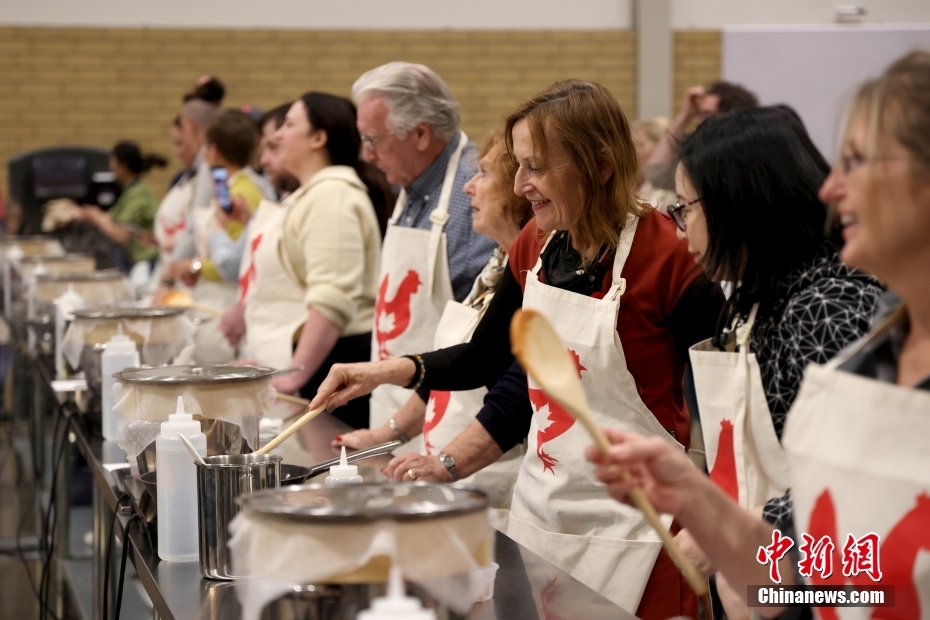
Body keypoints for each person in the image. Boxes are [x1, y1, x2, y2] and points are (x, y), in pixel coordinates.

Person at [311, 80, 726, 618]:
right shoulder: (536, 243)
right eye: (518, 166)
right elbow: (483, 361)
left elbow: (720, 416)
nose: (521, 184)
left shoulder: (669, 259)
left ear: (600, 165)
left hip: (641, 534)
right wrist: (380, 373)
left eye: (536, 166)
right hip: (543, 517)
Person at [588, 50, 930, 619]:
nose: (830, 189)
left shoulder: (831, 308)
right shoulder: (872, 344)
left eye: (857, 161)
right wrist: (705, 508)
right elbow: (840, 580)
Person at [669, 105, 883, 618]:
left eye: (685, 209)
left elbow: (847, 478)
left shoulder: (827, 309)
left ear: (740, 204)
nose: (680, 233)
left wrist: (733, 533)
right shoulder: (760, 294)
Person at [333, 130, 534, 518]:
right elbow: (451, 368)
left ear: (518, 192)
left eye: (484, 175)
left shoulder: (529, 277)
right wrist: (387, 434)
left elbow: (506, 386)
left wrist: (450, 462)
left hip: (494, 482)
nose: (468, 189)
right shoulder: (493, 268)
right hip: (448, 476)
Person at [352, 61, 497, 434]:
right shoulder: (410, 186)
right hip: (392, 404)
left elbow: (475, 338)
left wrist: (394, 430)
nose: (366, 155)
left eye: (373, 141)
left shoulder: (473, 196)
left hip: (452, 420)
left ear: (419, 134)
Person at [269, 92, 384, 429]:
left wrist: (295, 375)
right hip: (330, 356)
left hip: (343, 359)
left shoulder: (332, 195)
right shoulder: (319, 192)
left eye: (289, 125)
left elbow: (332, 299)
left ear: (318, 138)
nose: (277, 135)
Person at [217, 102, 301, 355]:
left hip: (288, 351)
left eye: (275, 148)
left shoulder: (316, 205)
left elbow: (230, 264)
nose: (264, 160)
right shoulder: (282, 201)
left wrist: (219, 233)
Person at [645, 80, 758, 191]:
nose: (697, 122)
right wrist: (684, 115)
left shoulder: (752, 159)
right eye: (698, 114)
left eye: (705, 114)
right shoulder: (699, 156)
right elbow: (656, 175)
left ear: (730, 117)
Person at [77, 141, 166, 272]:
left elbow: (120, 235)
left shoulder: (139, 194)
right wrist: (84, 213)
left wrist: (96, 218)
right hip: (138, 263)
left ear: (123, 166)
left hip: (148, 264)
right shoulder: (130, 191)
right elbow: (111, 218)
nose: (110, 166)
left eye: (113, 161)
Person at [631, 116, 676, 212]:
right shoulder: (635, 187)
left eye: (641, 144)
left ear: (661, 147)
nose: (635, 151)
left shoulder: (671, 195)